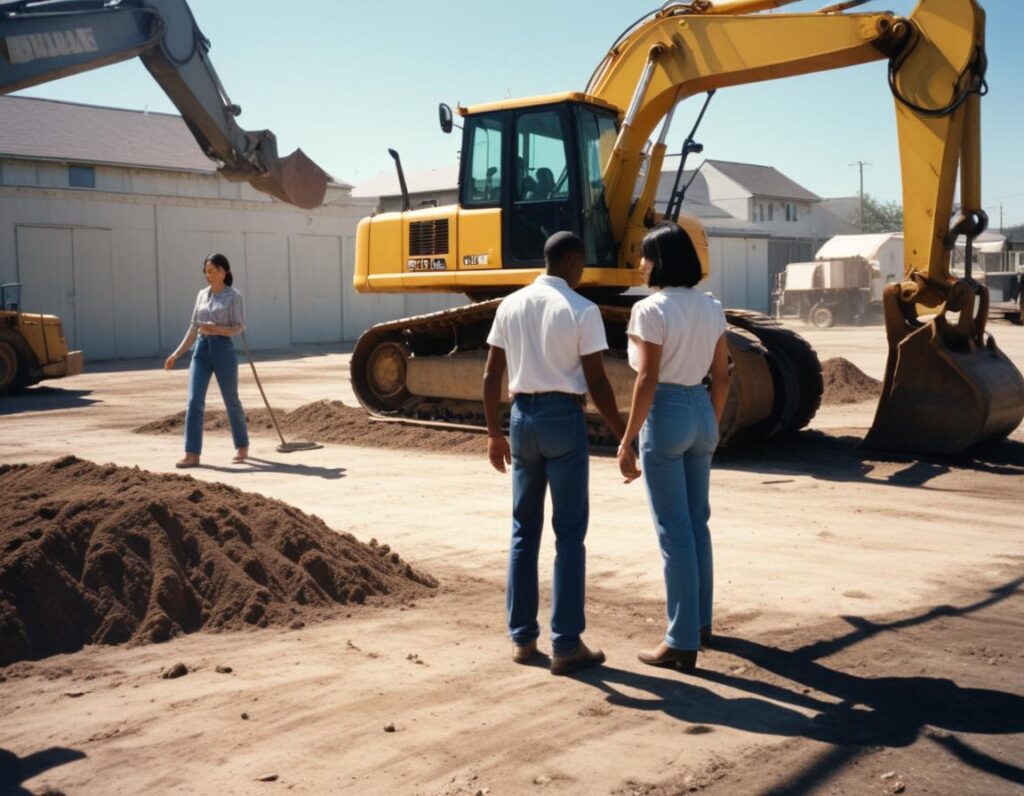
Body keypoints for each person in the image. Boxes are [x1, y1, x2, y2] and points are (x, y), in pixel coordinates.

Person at [483, 231, 633, 676]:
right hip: (563, 420)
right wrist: (624, 434)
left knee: (522, 531)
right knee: (569, 535)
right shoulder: (582, 310)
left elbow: (493, 374)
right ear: (571, 261)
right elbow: (598, 382)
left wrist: (494, 433)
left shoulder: (510, 305)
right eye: (581, 263)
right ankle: (566, 643)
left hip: (522, 418)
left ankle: (523, 639)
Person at [616, 222, 730, 673]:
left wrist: (627, 440)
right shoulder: (712, 306)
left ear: (660, 261)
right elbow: (722, 376)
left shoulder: (650, 309)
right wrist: (711, 426)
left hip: (666, 412)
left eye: (646, 256)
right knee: (697, 523)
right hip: (702, 408)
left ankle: (681, 641)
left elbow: (646, 377)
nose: (641, 263)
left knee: (673, 531)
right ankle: (700, 624)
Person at [164, 253, 250, 468]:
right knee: (194, 401)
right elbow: (194, 327)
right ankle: (192, 453)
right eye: (206, 271)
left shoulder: (233, 296)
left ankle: (242, 445)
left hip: (223, 350)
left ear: (224, 272)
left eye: (212, 270)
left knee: (231, 400)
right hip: (201, 350)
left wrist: (218, 329)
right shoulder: (202, 294)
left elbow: (240, 326)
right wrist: (176, 354)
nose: (208, 275)